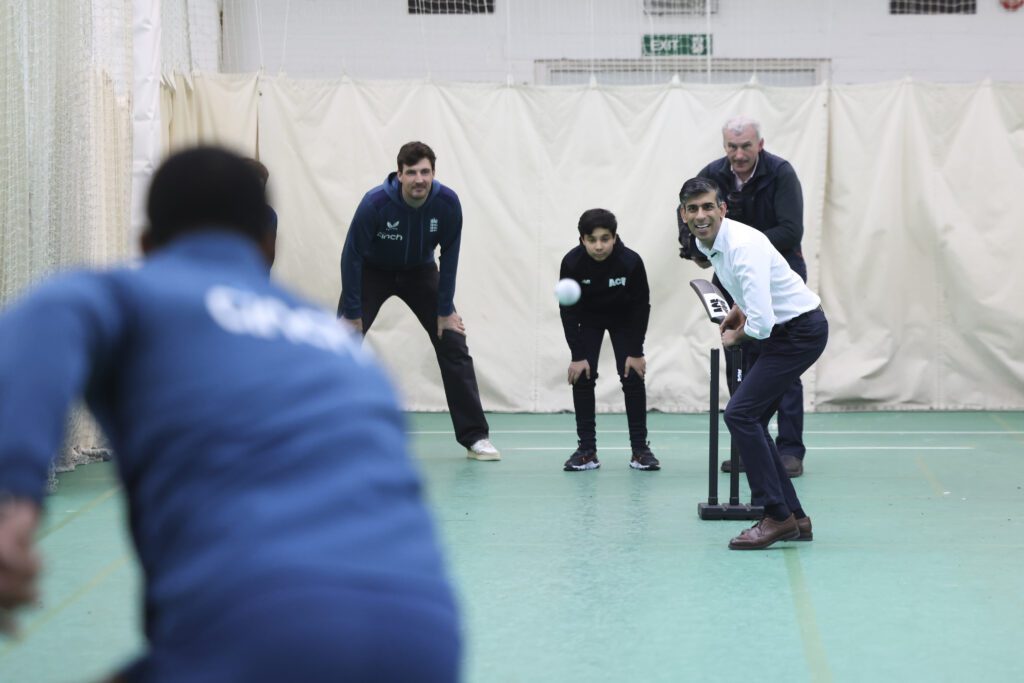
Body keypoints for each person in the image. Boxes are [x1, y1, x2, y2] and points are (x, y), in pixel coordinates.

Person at [0, 147, 460, 681]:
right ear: (268, 243)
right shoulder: (337, 347)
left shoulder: (138, 293)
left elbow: (43, 324)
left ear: (147, 245)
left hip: (257, 627)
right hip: (424, 636)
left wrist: (13, 498)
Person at [678, 177, 827, 549]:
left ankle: (776, 517)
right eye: (693, 208)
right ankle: (796, 518)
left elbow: (760, 326)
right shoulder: (706, 243)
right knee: (752, 419)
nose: (701, 215)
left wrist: (736, 333)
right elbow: (755, 294)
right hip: (785, 329)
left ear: (723, 209)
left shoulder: (742, 246)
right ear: (683, 214)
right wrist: (737, 310)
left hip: (798, 332)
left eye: (708, 206)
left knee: (740, 415)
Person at [337, 141, 500, 462]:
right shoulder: (375, 203)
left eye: (425, 172)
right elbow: (351, 255)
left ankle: (476, 437)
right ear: (399, 175)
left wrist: (444, 311)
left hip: (420, 272)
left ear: (434, 173)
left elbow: (449, 256)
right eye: (411, 173)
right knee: (342, 342)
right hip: (373, 271)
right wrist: (352, 313)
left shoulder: (448, 204)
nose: (419, 179)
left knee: (453, 340)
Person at [679, 116, 809, 477]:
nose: (738, 155)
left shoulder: (782, 173)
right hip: (731, 274)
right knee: (738, 356)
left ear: (760, 145)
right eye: (732, 147)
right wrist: (694, 248)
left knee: (781, 362)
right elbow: (688, 215)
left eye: (745, 147)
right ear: (724, 147)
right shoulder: (712, 173)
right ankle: (750, 446)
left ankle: (790, 451)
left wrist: (745, 246)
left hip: (780, 274)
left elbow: (791, 230)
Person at [558, 209, 658, 472]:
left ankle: (640, 451)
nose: (599, 246)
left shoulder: (631, 262)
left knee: (632, 376)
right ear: (582, 239)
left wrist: (636, 351)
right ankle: (586, 451)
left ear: (615, 237)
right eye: (592, 240)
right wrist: (577, 355)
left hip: (623, 319)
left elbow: (641, 307)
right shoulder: (571, 263)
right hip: (588, 320)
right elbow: (567, 310)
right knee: (582, 375)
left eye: (605, 238)